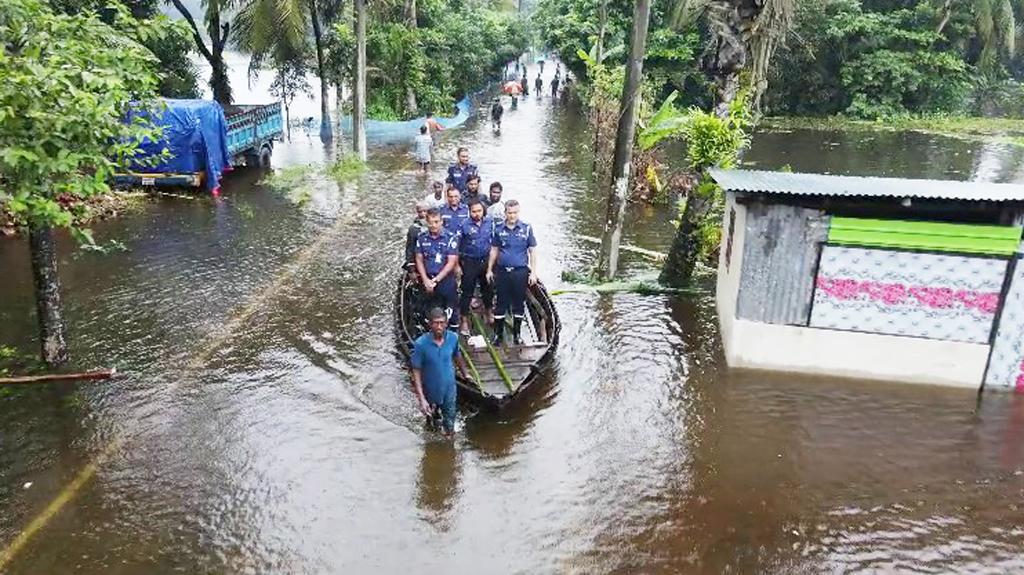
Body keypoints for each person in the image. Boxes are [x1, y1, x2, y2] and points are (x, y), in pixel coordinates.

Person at [410, 307, 471, 437]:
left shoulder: (453, 338)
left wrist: (465, 374)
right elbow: (416, 371)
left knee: (450, 426)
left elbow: (457, 355)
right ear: (430, 324)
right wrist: (421, 399)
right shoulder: (421, 344)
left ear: (446, 324)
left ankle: (449, 449)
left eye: (442, 323)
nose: (439, 326)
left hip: (449, 388)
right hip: (430, 390)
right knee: (431, 423)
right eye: (436, 323)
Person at [486, 200, 537, 346]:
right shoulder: (499, 228)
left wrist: (533, 272)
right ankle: (498, 335)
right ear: (505, 213)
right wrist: (489, 269)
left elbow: (532, 251)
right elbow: (494, 249)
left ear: (518, 212)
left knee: (518, 303)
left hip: (520, 272)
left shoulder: (526, 228)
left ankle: (517, 335)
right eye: (509, 213)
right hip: (502, 271)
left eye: (515, 212)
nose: (512, 215)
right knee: (501, 302)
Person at [416, 209, 460, 331]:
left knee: (450, 311)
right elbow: (419, 259)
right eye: (430, 222)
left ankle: (453, 335)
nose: (433, 225)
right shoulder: (421, 237)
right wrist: (425, 279)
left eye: (436, 222)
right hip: (427, 280)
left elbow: (451, 262)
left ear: (441, 221)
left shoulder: (451, 238)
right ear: (426, 222)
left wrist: (436, 280)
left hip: (445, 281)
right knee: (429, 310)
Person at [457, 199, 495, 335]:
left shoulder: (490, 222)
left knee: (488, 288)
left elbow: (495, 243)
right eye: (473, 211)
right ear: (469, 212)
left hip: (485, 261)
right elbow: (456, 247)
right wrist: (457, 265)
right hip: (469, 261)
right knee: (467, 292)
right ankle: (464, 320)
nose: (477, 214)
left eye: (479, 211)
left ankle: (489, 311)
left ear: (483, 211)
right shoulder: (464, 225)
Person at [405, 201, 430, 272]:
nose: (423, 214)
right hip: (419, 262)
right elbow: (410, 248)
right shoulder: (413, 229)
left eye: (425, 211)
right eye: (420, 212)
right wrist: (411, 267)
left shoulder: (436, 225)